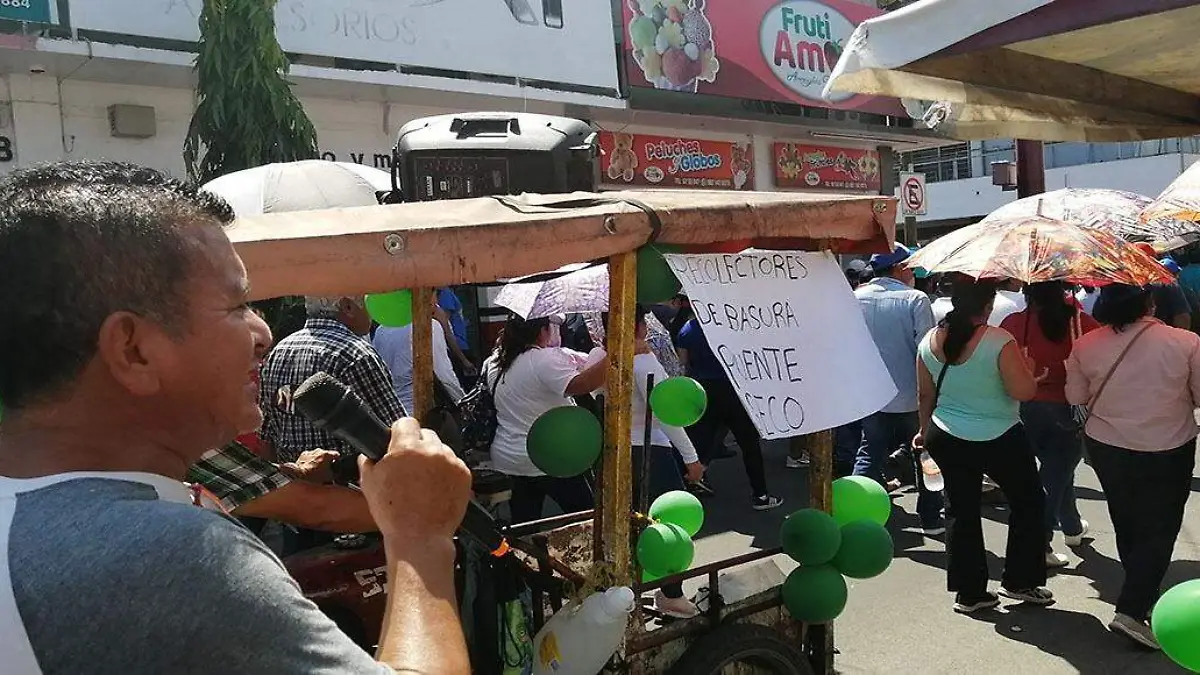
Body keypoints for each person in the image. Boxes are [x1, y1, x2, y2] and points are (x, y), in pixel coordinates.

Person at [0, 161, 470, 673]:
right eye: (237, 305)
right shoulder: (169, 555)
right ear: (134, 350)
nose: (264, 332)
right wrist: (421, 537)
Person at [1066, 284, 1200, 649]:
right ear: (1150, 304)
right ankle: (1132, 607)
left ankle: (1140, 588)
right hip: (1168, 444)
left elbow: (1075, 397)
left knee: (1126, 518)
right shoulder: (1185, 341)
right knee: (1162, 524)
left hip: (1107, 445)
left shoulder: (1085, 344)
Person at [914, 278, 1054, 614]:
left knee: (961, 512)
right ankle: (1020, 579)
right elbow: (1023, 392)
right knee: (1029, 502)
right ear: (988, 305)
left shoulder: (929, 340)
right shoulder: (998, 340)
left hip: (946, 432)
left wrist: (921, 430)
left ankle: (970, 592)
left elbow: (925, 394)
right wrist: (1031, 373)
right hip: (1000, 434)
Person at [585, 307, 705, 618]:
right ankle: (671, 595)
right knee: (667, 527)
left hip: (613, 451)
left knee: (624, 527)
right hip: (652, 452)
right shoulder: (644, 362)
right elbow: (667, 414)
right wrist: (691, 457)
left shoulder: (597, 357)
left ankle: (625, 593)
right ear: (639, 326)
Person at [1000, 282, 1100, 568]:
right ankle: (1038, 544)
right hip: (1069, 408)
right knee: (1055, 476)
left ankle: (1071, 527)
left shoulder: (1014, 323)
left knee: (1057, 472)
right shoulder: (1081, 322)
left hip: (1024, 408)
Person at [854, 245, 944, 533]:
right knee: (926, 455)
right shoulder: (915, 299)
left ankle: (858, 512)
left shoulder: (855, 298)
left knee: (869, 452)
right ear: (899, 268)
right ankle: (930, 519)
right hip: (913, 395)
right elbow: (927, 351)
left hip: (872, 395)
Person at [486, 315, 607, 523]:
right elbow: (579, 386)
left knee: (525, 525)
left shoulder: (495, 361)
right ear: (542, 331)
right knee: (587, 520)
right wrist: (617, 356)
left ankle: (526, 555)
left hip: (510, 458)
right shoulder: (543, 359)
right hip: (550, 457)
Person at [259, 295, 407, 463]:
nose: (371, 312)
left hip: (294, 483)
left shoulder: (278, 353)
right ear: (347, 307)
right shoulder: (355, 354)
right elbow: (399, 437)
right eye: (367, 303)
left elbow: (266, 440)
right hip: (351, 485)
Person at [676, 317, 783, 510]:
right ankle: (761, 494)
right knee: (749, 443)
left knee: (701, 437)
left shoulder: (688, 328)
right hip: (735, 389)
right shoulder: (732, 323)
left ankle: (694, 480)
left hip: (703, 389)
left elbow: (683, 361)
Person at [373, 294, 467, 415]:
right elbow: (445, 376)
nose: (436, 301)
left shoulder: (381, 330)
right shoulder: (429, 326)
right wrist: (462, 403)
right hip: (421, 413)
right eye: (433, 292)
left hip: (393, 412)